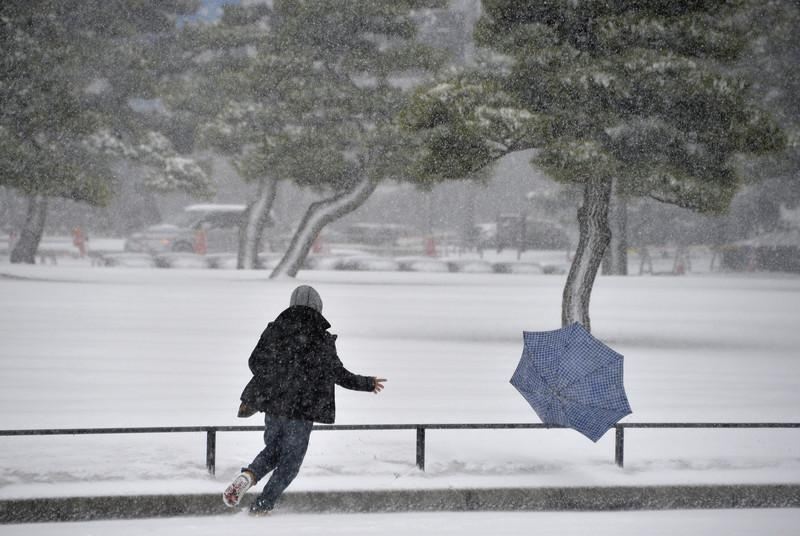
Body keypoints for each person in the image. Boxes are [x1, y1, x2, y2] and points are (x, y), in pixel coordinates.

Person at [223, 285, 386, 515]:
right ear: (319, 308)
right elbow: (338, 374)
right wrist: (367, 383)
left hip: (274, 405)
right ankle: (262, 507)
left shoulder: (275, 330)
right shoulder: (321, 337)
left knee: (274, 450)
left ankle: (248, 476)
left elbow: (254, 362)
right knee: (290, 464)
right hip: (303, 408)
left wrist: (278, 376)